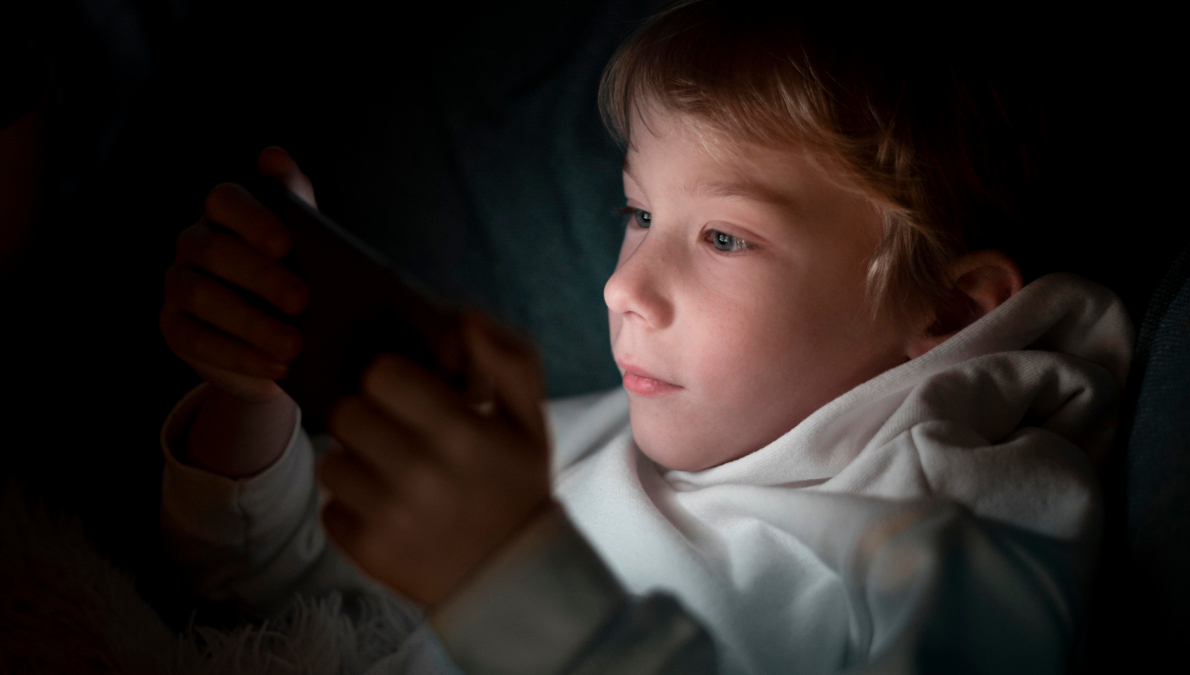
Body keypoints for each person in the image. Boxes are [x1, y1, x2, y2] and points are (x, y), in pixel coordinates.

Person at [157, 2, 1132, 672]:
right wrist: (256, 393)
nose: (625, 288)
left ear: (952, 312)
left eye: (722, 237)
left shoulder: (961, 521)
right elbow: (276, 597)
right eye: (636, 214)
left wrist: (509, 577)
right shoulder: (602, 443)